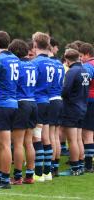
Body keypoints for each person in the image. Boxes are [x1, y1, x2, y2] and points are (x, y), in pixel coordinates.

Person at [0, 31, 20, 189]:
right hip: (13, 104)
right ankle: (0, 176)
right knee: (0, 144)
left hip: (2, 104)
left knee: (4, 144)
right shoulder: (15, 58)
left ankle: (5, 179)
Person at [8, 39, 38, 184]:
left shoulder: (17, 65)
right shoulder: (33, 65)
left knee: (18, 142)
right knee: (29, 141)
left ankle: (18, 176)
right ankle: (30, 175)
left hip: (21, 103)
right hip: (33, 102)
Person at [60, 48, 89, 176]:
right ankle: (80, 165)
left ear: (66, 60)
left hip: (72, 108)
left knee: (72, 140)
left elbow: (65, 91)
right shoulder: (84, 70)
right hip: (82, 107)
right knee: (78, 138)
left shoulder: (72, 71)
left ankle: (75, 167)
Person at [31, 32, 55, 182]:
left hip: (37, 101)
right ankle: (48, 171)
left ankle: (38, 173)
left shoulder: (35, 62)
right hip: (48, 100)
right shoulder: (54, 62)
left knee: (36, 137)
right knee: (46, 137)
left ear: (34, 45)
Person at [49, 38, 65, 177]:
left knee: (51, 135)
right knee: (55, 135)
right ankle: (55, 167)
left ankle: (50, 166)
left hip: (51, 99)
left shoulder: (49, 64)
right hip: (59, 99)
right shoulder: (59, 64)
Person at [79, 43, 94, 172]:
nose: (80, 59)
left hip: (90, 100)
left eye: (81, 56)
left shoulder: (88, 65)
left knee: (87, 134)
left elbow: (85, 78)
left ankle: (88, 166)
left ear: (87, 54)